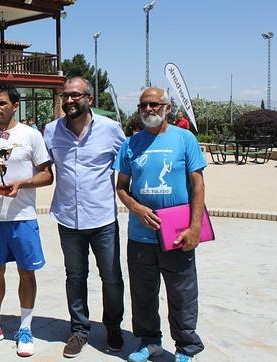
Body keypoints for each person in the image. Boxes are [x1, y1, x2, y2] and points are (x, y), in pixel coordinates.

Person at [114, 87, 206, 362]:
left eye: (154, 104)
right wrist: (136, 207)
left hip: (177, 233)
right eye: (143, 105)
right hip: (141, 236)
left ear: (167, 107)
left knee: (182, 294)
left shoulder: (184, 139)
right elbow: (121, 187)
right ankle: (150, 342)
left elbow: (198, 184)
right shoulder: (131, 144)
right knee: (143, 295)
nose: (148, 109)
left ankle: (186, 348)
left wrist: (195, 226)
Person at [0, 83, 52, 357]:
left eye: (2, 103)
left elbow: (47, 175)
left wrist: (22, 183)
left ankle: (25, 327)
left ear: (15, 105)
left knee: (27, 273)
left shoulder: (30, 135)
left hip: (22, 218)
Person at [43, 76, 126, 358]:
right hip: (68, 219)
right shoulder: (51, 131)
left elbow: (129, 166)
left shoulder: (111, 129)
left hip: (102, 219)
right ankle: (79, 330)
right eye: (65, 95)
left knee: (112, 277)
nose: (69, 100)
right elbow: (43, 169)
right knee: (75, 277)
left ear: (89, 98)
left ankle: (113, 327)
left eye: (75, 95)